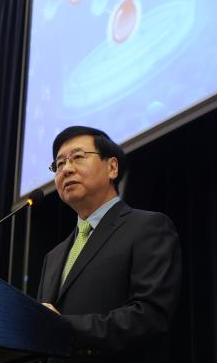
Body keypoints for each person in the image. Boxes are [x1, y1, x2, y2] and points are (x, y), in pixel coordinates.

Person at [37, 126, 182, 362]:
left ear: (112, 167)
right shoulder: (53, 256)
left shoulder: (148, 227)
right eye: (59, 163)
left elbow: (149, 317)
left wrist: (64, 327)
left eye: (78, 157)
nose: (66, 169)